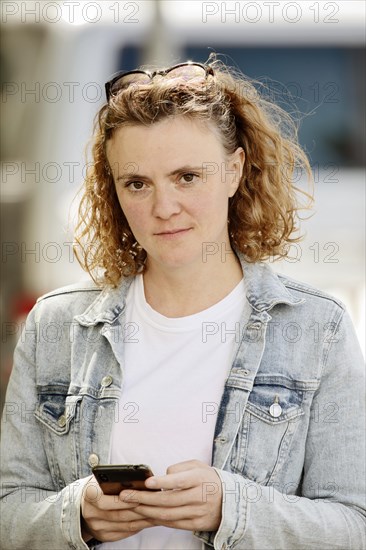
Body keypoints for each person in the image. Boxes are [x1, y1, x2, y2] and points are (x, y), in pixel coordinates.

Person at [1, 57, 365, 550]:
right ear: (113, 189)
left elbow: (354, 525)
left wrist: (230, 508)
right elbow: (8, 511)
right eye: (137, 183)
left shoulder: (318, 327)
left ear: (235, 170)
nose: (163, 207)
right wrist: (74, 516)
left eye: (187, 176)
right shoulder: (55, 324)